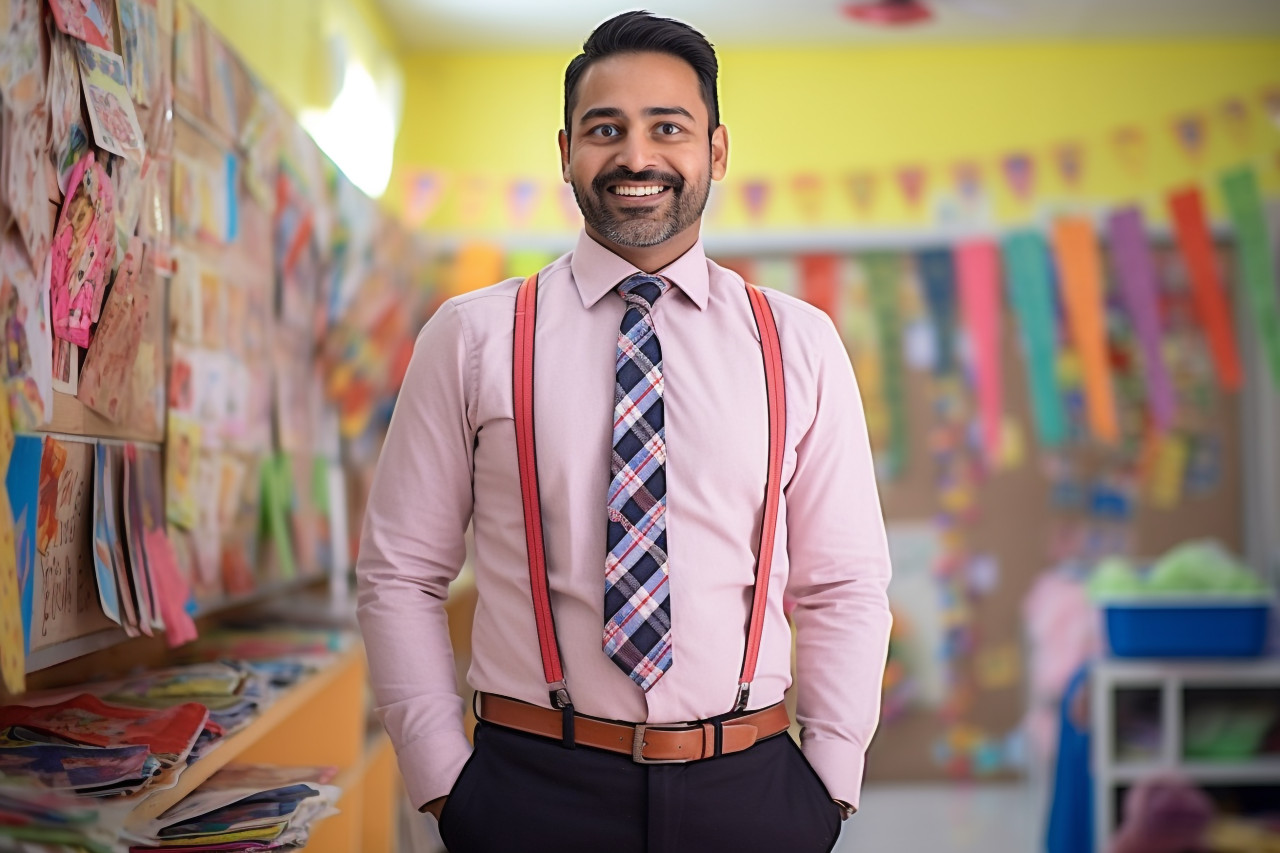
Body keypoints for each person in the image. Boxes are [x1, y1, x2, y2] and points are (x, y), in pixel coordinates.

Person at [357, 11, 893, 852]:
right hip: (530, 789)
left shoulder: (799, 342)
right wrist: (443, 780)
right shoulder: (471, 337)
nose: (636, 157)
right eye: (605, 129)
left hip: (750, 789)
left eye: (667, 128)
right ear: (566, 151)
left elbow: (844, 582)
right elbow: (400, 572)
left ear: (716, 151)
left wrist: (829, 779)